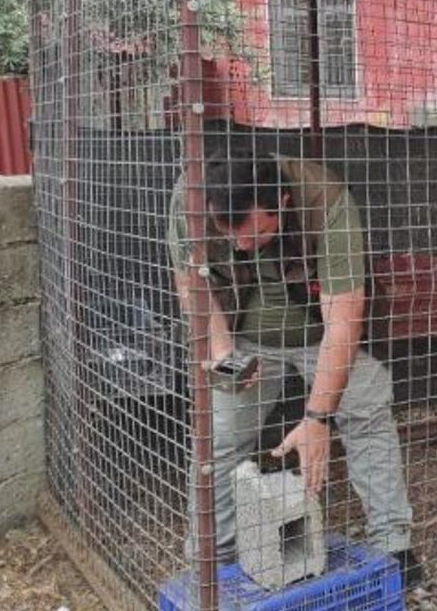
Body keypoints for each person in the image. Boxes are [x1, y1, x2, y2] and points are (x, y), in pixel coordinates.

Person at [166, 148, 421, 585]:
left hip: (319, 334)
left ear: (282, 202)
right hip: (243, 335)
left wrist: (317, 418)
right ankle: (214, 558)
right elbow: (194, 288)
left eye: (256, 234)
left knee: (367, 412)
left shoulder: (326, 200)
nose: (241, 246)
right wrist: (224, 354)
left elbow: (343, 323)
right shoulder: (189, 199)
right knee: (218, 435)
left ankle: (393, 544)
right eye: (230, 235)